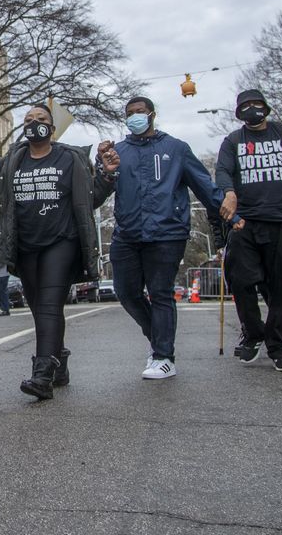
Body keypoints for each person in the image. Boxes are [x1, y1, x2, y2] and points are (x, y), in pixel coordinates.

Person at [0, 104, 118, 399]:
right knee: (41, 308)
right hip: (26, 245)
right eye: (28, 120)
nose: (34, 123)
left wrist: (106, 177)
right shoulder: (14, 159)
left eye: (41, 119)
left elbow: (88, 199)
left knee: (48, 304)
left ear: (52, 127)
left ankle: (41, 374)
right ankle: (60, 363)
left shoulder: (69, 157)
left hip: (62, 241)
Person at [109, 96, 229, 379]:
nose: (135, 117)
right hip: (127, 233)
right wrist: (104, 169)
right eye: (129, 113)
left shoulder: (176, 148)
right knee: (126, 293)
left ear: (152, 114)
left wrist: (229, 215)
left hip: (166, 232)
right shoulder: (118, 151)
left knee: (161, 292)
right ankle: (157, 339)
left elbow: (204, 185)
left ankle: (164, 357)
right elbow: (100, 189)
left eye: (139, 112)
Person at [214, 89, 282, 373]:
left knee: (280, 289)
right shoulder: (233, 141)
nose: (251, 109)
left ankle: (278, 346)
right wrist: (229, 193)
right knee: (241, 281)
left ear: (266, 107)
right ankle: (254, 332)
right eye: (245, 106)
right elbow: (222, 171)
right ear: (239, 112)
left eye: (256, 104)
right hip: (246, 222)